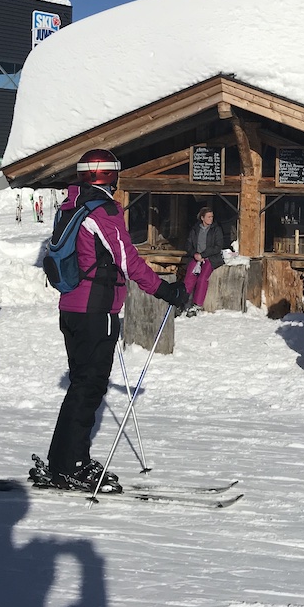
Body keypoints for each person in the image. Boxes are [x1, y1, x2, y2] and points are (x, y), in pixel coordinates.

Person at [33, 148, 190, 493]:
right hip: (95, 310)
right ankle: (70, 466)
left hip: (72, 308)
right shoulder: (101, 210)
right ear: (107, 175)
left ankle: (64, 461)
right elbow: (127, 260)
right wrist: (166, 291)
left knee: (80, 386)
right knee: (88, 389)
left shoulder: (71, 204)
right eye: (116, 173)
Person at [181, 206, 228, 316]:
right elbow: (188, 244)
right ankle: (182, 301)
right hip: (196, 257)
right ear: (202, 218)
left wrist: (203, 255)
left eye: (212, 217)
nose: (211, 219)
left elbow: (218, 246)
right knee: (189, 277)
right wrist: (195, 254)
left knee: (202, 279)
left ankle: (197, 304)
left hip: (210, 257)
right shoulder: (195, 229)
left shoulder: (216, 229)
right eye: (208, 217)